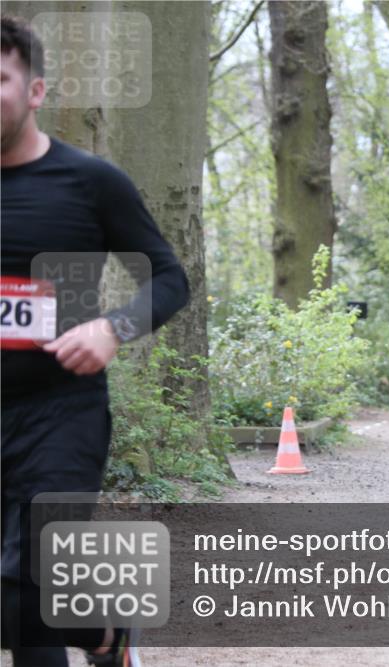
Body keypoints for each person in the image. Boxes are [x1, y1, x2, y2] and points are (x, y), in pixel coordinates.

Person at [1, 16, 189, 667]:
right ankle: (105, 631)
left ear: (35, 91)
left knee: (26, 589)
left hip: (60, 412)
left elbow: (169, 277)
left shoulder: (88, 181)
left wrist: (114, 327)